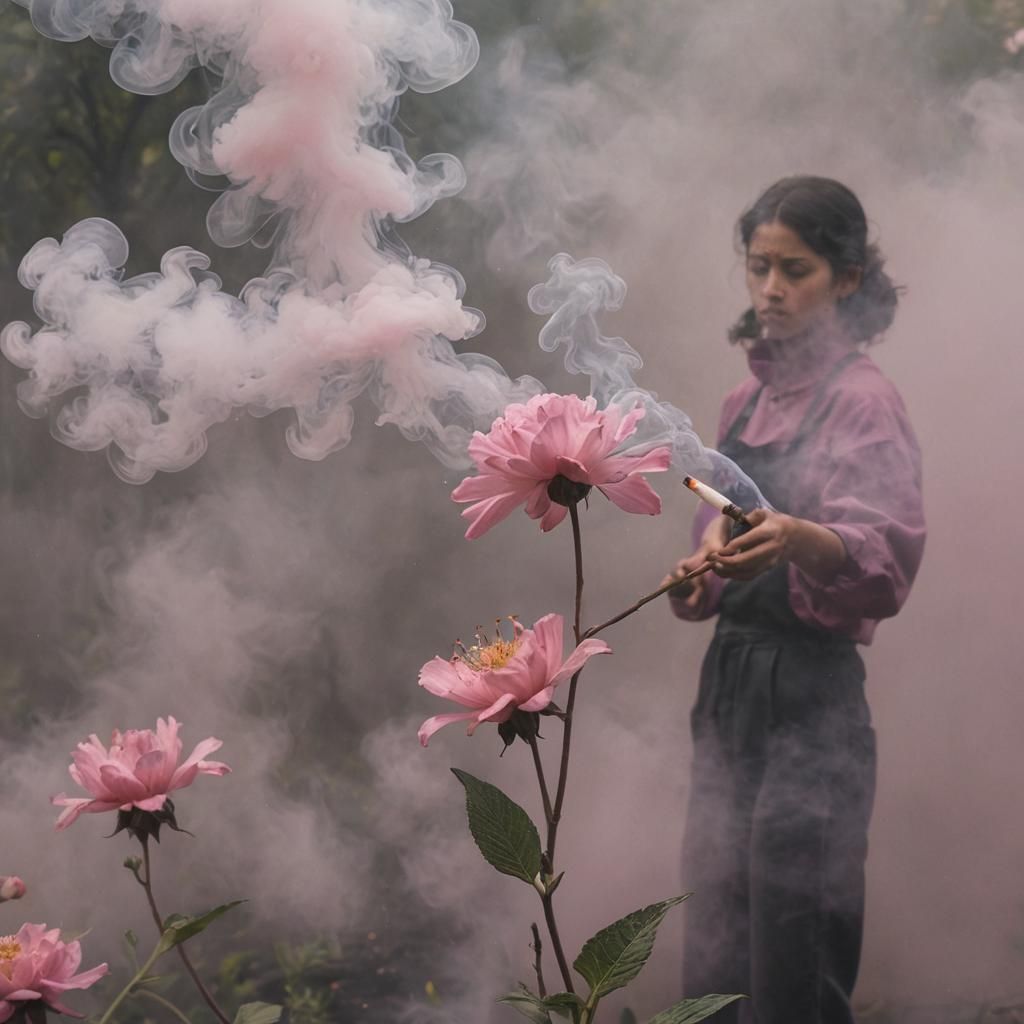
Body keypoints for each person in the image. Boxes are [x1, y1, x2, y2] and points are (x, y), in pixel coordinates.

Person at [665, 176, 926, 1024]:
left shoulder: (864, 403)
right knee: (715, 919)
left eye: (797, 269)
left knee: (793, 933)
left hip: (810, 695)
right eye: (758, 266)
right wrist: (701, 571)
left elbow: (884, 557)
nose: (771, 289)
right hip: (730, 683)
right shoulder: (743, 400)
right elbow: (719, 526)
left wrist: (796, 536)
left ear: (847, 279)